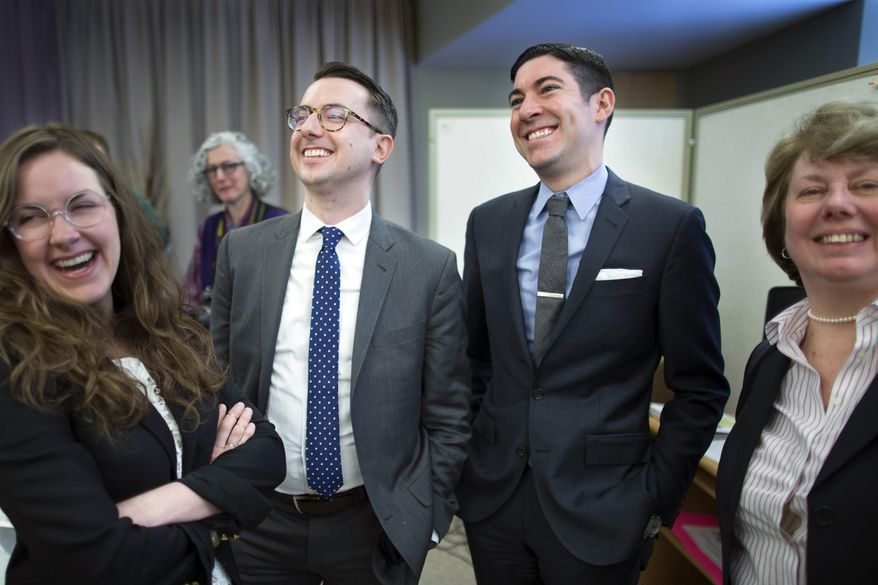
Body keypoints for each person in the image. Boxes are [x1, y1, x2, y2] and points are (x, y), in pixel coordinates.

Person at [455, 43, 730, 584]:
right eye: (516, 98)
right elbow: (474, 358)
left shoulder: (668, 227)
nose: (526, 108)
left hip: (606, 508)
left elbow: (698, 387)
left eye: (547, 89)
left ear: (602, 103)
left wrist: (653, 501)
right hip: (495, 500)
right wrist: (470, 460)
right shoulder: (487, 224)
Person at [210, 62, 471, 585]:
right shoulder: (242, 252)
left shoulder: (428, 268)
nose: (309, 128)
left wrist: (431, 518)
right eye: (302, 114)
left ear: (381, 146)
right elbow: (215, 379)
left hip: (375, 524)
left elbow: (448, 412)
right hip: (261, 520)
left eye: (334, 116)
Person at [0, 124, 286, 584]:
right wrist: (220, 504)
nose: (63, 233)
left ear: (119, 213)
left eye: (83, 204)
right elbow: (100, 560)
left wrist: (152, 506)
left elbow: (267, 453)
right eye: (31, 216)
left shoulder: (173, 329)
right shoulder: (17, 369)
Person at [716, 101, 878, 585]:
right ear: (781, 226)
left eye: (866, 185)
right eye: (812, 190)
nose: (837, 204)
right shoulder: (772, 353)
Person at [185, 131, 288, 308]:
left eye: (229, 166)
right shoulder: (208, 227)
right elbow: (191, 292)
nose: (219, 177)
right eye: (212, 170)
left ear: (251, 169)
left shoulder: (279, 222)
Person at [78, 129, 172, 253]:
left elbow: (162, 236)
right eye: (87, 161)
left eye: (99, 160)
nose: (94, 167)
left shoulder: (127, 196)